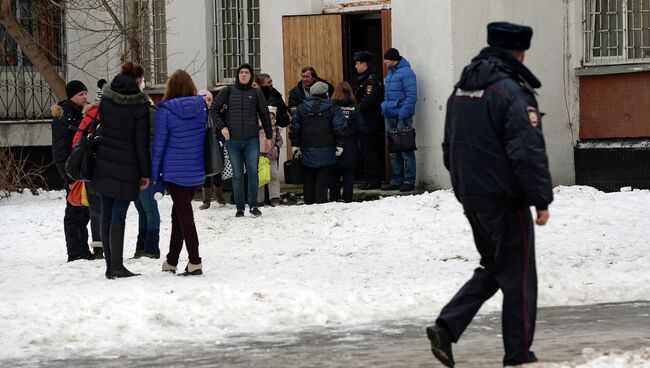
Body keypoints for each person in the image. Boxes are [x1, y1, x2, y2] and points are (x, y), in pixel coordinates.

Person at [427, 22, 553, 368]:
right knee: (520, 278)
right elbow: (526, 151)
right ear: (520, 52)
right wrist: (541, 199)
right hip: (504, 198)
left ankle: (447, 326)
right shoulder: (511, 91)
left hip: (471, 195)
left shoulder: (462, 88)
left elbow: (448, 146)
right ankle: (518, 356)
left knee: (497, 266)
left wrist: (468, 184)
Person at [92, 62, 151, 279]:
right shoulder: (139, 104)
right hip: (127, 165)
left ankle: (110, 266)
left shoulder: (107, 98)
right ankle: (116, 266)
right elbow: (141, 143)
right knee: (119, 214)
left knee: (107, 212)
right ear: (138, 80)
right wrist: (145, 173)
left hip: (104, 162)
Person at [152, 70, 207, 276]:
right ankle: (171, 260)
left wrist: (156, 175)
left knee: (185, 216)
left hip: (175, 172)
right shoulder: (202, 107)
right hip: (196, 170)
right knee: (179, 215)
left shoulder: (165, 111)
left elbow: (159, 146)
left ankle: (195, 261)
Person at [209, 64, 272, 217]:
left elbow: (264, 114)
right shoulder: (228, 91)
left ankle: (253, 206)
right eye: (241, 72)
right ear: (237, 75)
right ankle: (239, 208)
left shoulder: (256, 93)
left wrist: (269, 136)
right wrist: (222, 127)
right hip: (233, 140)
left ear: (251, 76)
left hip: (251, 140)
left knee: (252, 171)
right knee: (237, 174)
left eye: (247, 72)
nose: (244, 75)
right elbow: (213, 110)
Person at [51, 80, 93, 262]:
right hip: (72, 172)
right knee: (74, 212)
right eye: (80, 94)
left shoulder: (83, 114)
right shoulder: (64, 117)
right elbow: (60, 152)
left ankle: (84, 249)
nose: (84, 97)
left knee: (85, 212)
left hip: (83, 171)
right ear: (71, 97)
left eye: (85, 93)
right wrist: (68, 177)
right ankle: (75, 252)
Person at [289, 81, 348, 204]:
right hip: (327, 148)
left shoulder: (301, 108)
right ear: (326, 93)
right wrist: (340, 144)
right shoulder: (333, 108)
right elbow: (339, 127)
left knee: (308, 177)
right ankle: (320, 203)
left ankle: (309, 202)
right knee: (323, 177)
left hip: (306, 148)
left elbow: (295, 127)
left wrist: (295, 144)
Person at [381, 47, 418, 192]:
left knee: (405, 149)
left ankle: (409, 180)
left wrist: (403, 113)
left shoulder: (407, 73)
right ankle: (396, 179)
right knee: (393, 149)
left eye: (386, 59)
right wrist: (384, 107)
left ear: (393, 59)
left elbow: (411, 96)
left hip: (402, 116)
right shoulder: (391, 73)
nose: (384, 62)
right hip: (389, 115)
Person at [132, 94, 162, 259]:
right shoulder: (136, 114)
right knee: (141, 208)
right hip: (137, 168)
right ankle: (141, 247)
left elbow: (151, 144)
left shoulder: (149, 114)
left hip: (147, 169)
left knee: (149, 208)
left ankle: (151, 248)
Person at [352, 51, 384, 190]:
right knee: (366, 151)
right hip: (365, 120)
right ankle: (369, 178)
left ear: (364, 63)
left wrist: (356, 110)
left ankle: (373, 180)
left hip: (369, 121)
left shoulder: (371, 79)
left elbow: (369, 100)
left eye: (357, 63)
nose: (355, 66)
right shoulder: (362, 78)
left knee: (370, 151)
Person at [329, 81, 359, 203]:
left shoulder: (332, 107)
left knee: (334, 174)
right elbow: (360, 125)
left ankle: (334, 198)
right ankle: (347, 198)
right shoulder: (355, 106)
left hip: (334, 143)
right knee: (348, 174)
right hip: (350, 143)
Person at [198, 89, 227, 210]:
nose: (207, 102)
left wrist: (221, 141)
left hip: (216, 144)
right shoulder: (197, 114)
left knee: (217, 171)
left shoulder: (216, 113)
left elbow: (222, 126)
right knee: (205, 173)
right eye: (204, 100)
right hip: (202, 146)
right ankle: (206, 200)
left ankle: (219, 195)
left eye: (209, 100)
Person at [258, 106, 283, 206]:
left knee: (273, 176)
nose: (270, 120)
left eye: (272, 118)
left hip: (272, 158)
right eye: (268, 118)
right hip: (260, 158)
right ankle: (259, 199)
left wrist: (276, 147)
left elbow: (279, 141)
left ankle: (275, 197)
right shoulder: (258, 129)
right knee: (260, 178)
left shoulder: (275, 130)